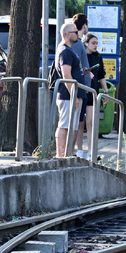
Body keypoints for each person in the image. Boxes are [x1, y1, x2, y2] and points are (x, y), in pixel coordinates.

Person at [53, 22, 83, 158]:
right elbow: (66, 75)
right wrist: (73, 95)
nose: (78, 34)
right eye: (75, 32)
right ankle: (61, 155)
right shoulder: (64, 51)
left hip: (71, 94)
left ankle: (69, 153)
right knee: (65, 124)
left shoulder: (69, 50)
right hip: (67, 95)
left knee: (72, 125)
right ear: (67, 34)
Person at [70, 13, 94, 156]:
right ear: (84, 25)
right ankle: (71, 150)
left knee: (79, 122)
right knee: (75, 122)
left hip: (82, 87)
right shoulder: (77, 43)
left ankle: (74, 150)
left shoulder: (77, 42)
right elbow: (74, 65)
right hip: (78, 88)